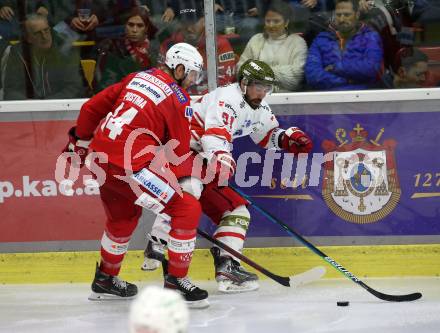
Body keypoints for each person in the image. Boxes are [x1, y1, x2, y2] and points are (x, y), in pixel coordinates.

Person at [142, 59, 313, 293]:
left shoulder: (258, 107)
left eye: (267, 88)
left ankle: (228, 267)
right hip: (183, 150)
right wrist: (222, 159)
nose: (263, 93)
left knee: (237, 211)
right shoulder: (227, 98)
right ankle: (158, 242)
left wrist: (287, 139)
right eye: (258, 87)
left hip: (205, 157)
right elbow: (214, 136)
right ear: (243, 84)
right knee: (191, 189)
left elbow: (266, 135)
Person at [63, 42, 209, 308]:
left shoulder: (137, 77)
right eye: (191, 74)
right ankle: (176, 282)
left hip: (101, 159)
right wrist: (186, 178)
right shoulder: (179, 99)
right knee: (187, 208)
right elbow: (176, 150)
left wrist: (80, 143)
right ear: (178, 68)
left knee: (123, 217)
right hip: (130, 166)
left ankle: (105, 280)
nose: (192, 81)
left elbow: (90, 110)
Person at [304, 0, 384, 91]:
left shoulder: (370, 37)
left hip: (362, 97)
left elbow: (372, 69)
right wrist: (348, 80)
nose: (342, 19)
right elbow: (312, 76)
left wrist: (336, 67)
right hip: (328, 98)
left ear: (357, 14)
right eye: (338, 15)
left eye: (347, 15)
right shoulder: (321, 39)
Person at [159, 5, 236, 95]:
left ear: (204, 20)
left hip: (210, 101)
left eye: (193, 22)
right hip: (177, 100)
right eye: (184, 22)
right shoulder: (169, 45)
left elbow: (224, 83)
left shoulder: (219, 44)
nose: (188, 27)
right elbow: (161, 79)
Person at [3, 13, 83, 100]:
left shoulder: (65, 50)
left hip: (59, 106)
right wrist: (31, 106)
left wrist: (47, 104)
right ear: (28, 38)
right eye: (38, 33)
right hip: (28, 109)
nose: (44, 36)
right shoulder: (18, 53)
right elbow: (11, 90)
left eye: (46, 30)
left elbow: (75, 87)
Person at [237, 1, 308, 92]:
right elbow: (241, 71)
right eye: (268, 21)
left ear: (286, 22)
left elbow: (295, 78)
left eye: (276, 21)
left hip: (286, 100)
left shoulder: (298, 43)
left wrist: (258, 73)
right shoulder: (256, 40)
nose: (271, 25)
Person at [95, 6, 157, 91]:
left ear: (146, 28)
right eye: (131, 25)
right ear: (125, 26)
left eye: (140, 26)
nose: (134, 30)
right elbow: (106, 85)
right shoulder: (114, 48)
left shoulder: (154, 50)